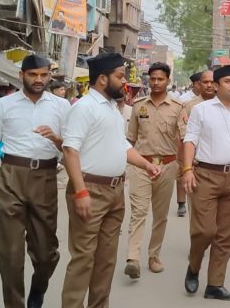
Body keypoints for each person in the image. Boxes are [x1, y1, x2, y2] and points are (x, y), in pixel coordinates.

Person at [61, 52, 161, 307]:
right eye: (120, 76)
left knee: (106, 260)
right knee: (84, 259)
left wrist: (146, 164)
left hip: (115, 192)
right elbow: (70, 150)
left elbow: (122, 147)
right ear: (103, 79)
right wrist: (81, 192)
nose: (124, 81)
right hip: (90, 190)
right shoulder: (84, 108)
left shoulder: (111, 110)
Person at [0, 54, 70, 307]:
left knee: (46, 253)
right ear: (21, 75)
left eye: (44, 75)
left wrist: (56, 139)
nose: (39, 80)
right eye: (33, 74)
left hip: (45, 178)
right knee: (10, 254)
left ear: (50, 76)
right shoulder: (2, 106)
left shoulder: (61, 106)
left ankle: (39, 286)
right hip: (10, 177)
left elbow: (70, 147)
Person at [182, 65, 230, 301]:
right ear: (216, 86)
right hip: (205, 175)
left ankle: (215, 284)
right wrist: (187, 169)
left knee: (225, 235)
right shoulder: (201, 111)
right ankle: (194, 266)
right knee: (204, 231)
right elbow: (190, 141)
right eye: (228, 81)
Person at [124, 62, 184, 280]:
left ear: (168, 80)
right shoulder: (138, 106)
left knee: (160, 216)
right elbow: (129, 140)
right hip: (141, 165)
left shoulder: (178, 107)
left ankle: (153, 256)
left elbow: (184, 139)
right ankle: (132, 258)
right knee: (139, 212)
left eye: (161, 79)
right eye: (153, 78)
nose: (156, 82)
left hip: (168, 166)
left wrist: (186, 169)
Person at [175, 70, 215, 217]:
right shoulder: (189, 106)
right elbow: (184, 133)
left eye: (212, 82)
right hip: (194, 156)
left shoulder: (226, 105)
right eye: (206, 82)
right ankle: (181, 203)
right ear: (199, 84)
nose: (209, 85)